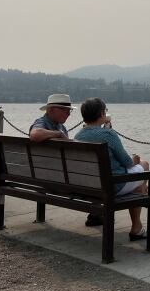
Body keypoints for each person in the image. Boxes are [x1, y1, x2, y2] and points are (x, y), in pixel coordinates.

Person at [74, 97, 150, 241]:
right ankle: (136, 228)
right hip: (113, 186)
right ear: (102, 114)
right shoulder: (109, 135)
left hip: (89, 185)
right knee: (144, 166)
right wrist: (135, 161)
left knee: (139, 180)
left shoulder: (78, 135)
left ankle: (98, 214)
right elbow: (127, 163)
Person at [30, 94, 101, 227]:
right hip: (53, 178)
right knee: (95, 174)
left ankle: (96, 213)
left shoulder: (61, 127)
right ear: (50, 110)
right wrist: (57, 134)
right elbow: (34, 134)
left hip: (50, 176)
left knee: (92, 171)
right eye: (64, 109)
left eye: (69, 110)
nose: (68, 113)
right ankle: (96, 213)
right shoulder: (43, 123)